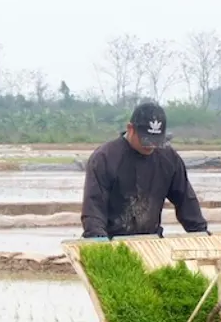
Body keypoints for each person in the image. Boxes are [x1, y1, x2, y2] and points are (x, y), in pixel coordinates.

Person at [81, 101, 209, 239]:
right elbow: (93, 209)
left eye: (156, 140)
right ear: (131, 129)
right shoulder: (105, 158)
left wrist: (201, 234)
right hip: (113, 239)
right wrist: (98, 242)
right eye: (146, 140)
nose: (151, 146)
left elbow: (186, 201)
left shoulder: (168, 158)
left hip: (151, 240)